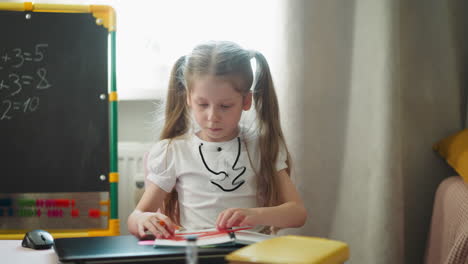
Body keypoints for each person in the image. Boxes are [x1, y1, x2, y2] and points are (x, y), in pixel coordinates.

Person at [127, 41, 307, 239]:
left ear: (246, 101)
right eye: (202, 104)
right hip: (196, 253)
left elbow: (297, 213)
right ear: (188, 98)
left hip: (250, 254)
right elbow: (136, 216)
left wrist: (255, 215)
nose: (213, 116)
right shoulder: (173, 151)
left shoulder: (263, 146)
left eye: (226, 106)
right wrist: (143, 220)